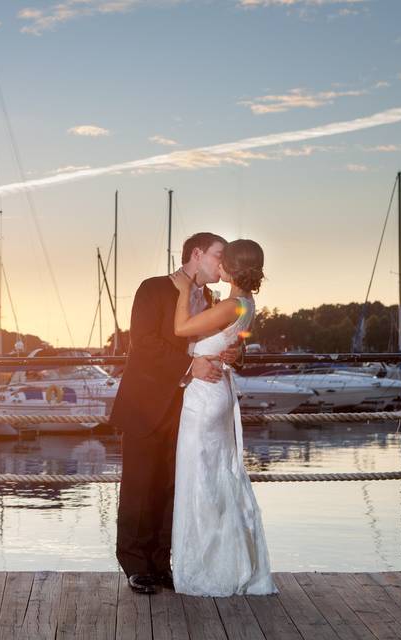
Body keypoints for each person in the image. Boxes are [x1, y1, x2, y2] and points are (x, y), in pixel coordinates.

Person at [111, 232, 239, 595]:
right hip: (146, 404)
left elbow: (214, 343)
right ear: (196, 254)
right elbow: (144, 343)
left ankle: (161, 564)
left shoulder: (212, 298)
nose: (222, 265)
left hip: (188, 406)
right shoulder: (151, 289)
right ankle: (136, 566)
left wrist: (229, 353)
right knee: (140, 487)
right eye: (218, 256)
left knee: (173, 487)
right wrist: (190, 366)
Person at [170, 239, 276, 596]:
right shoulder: (247, 304)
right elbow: (237, 339)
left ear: (230, 267)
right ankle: (227, 561)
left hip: (204, 397)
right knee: (216, 477)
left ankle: (208, 569)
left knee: (199, 479)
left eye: (222, 261)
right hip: (218, 392)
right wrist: (237, 349)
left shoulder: (231, 304)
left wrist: (183, 289)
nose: (218, 266)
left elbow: (182, 329)